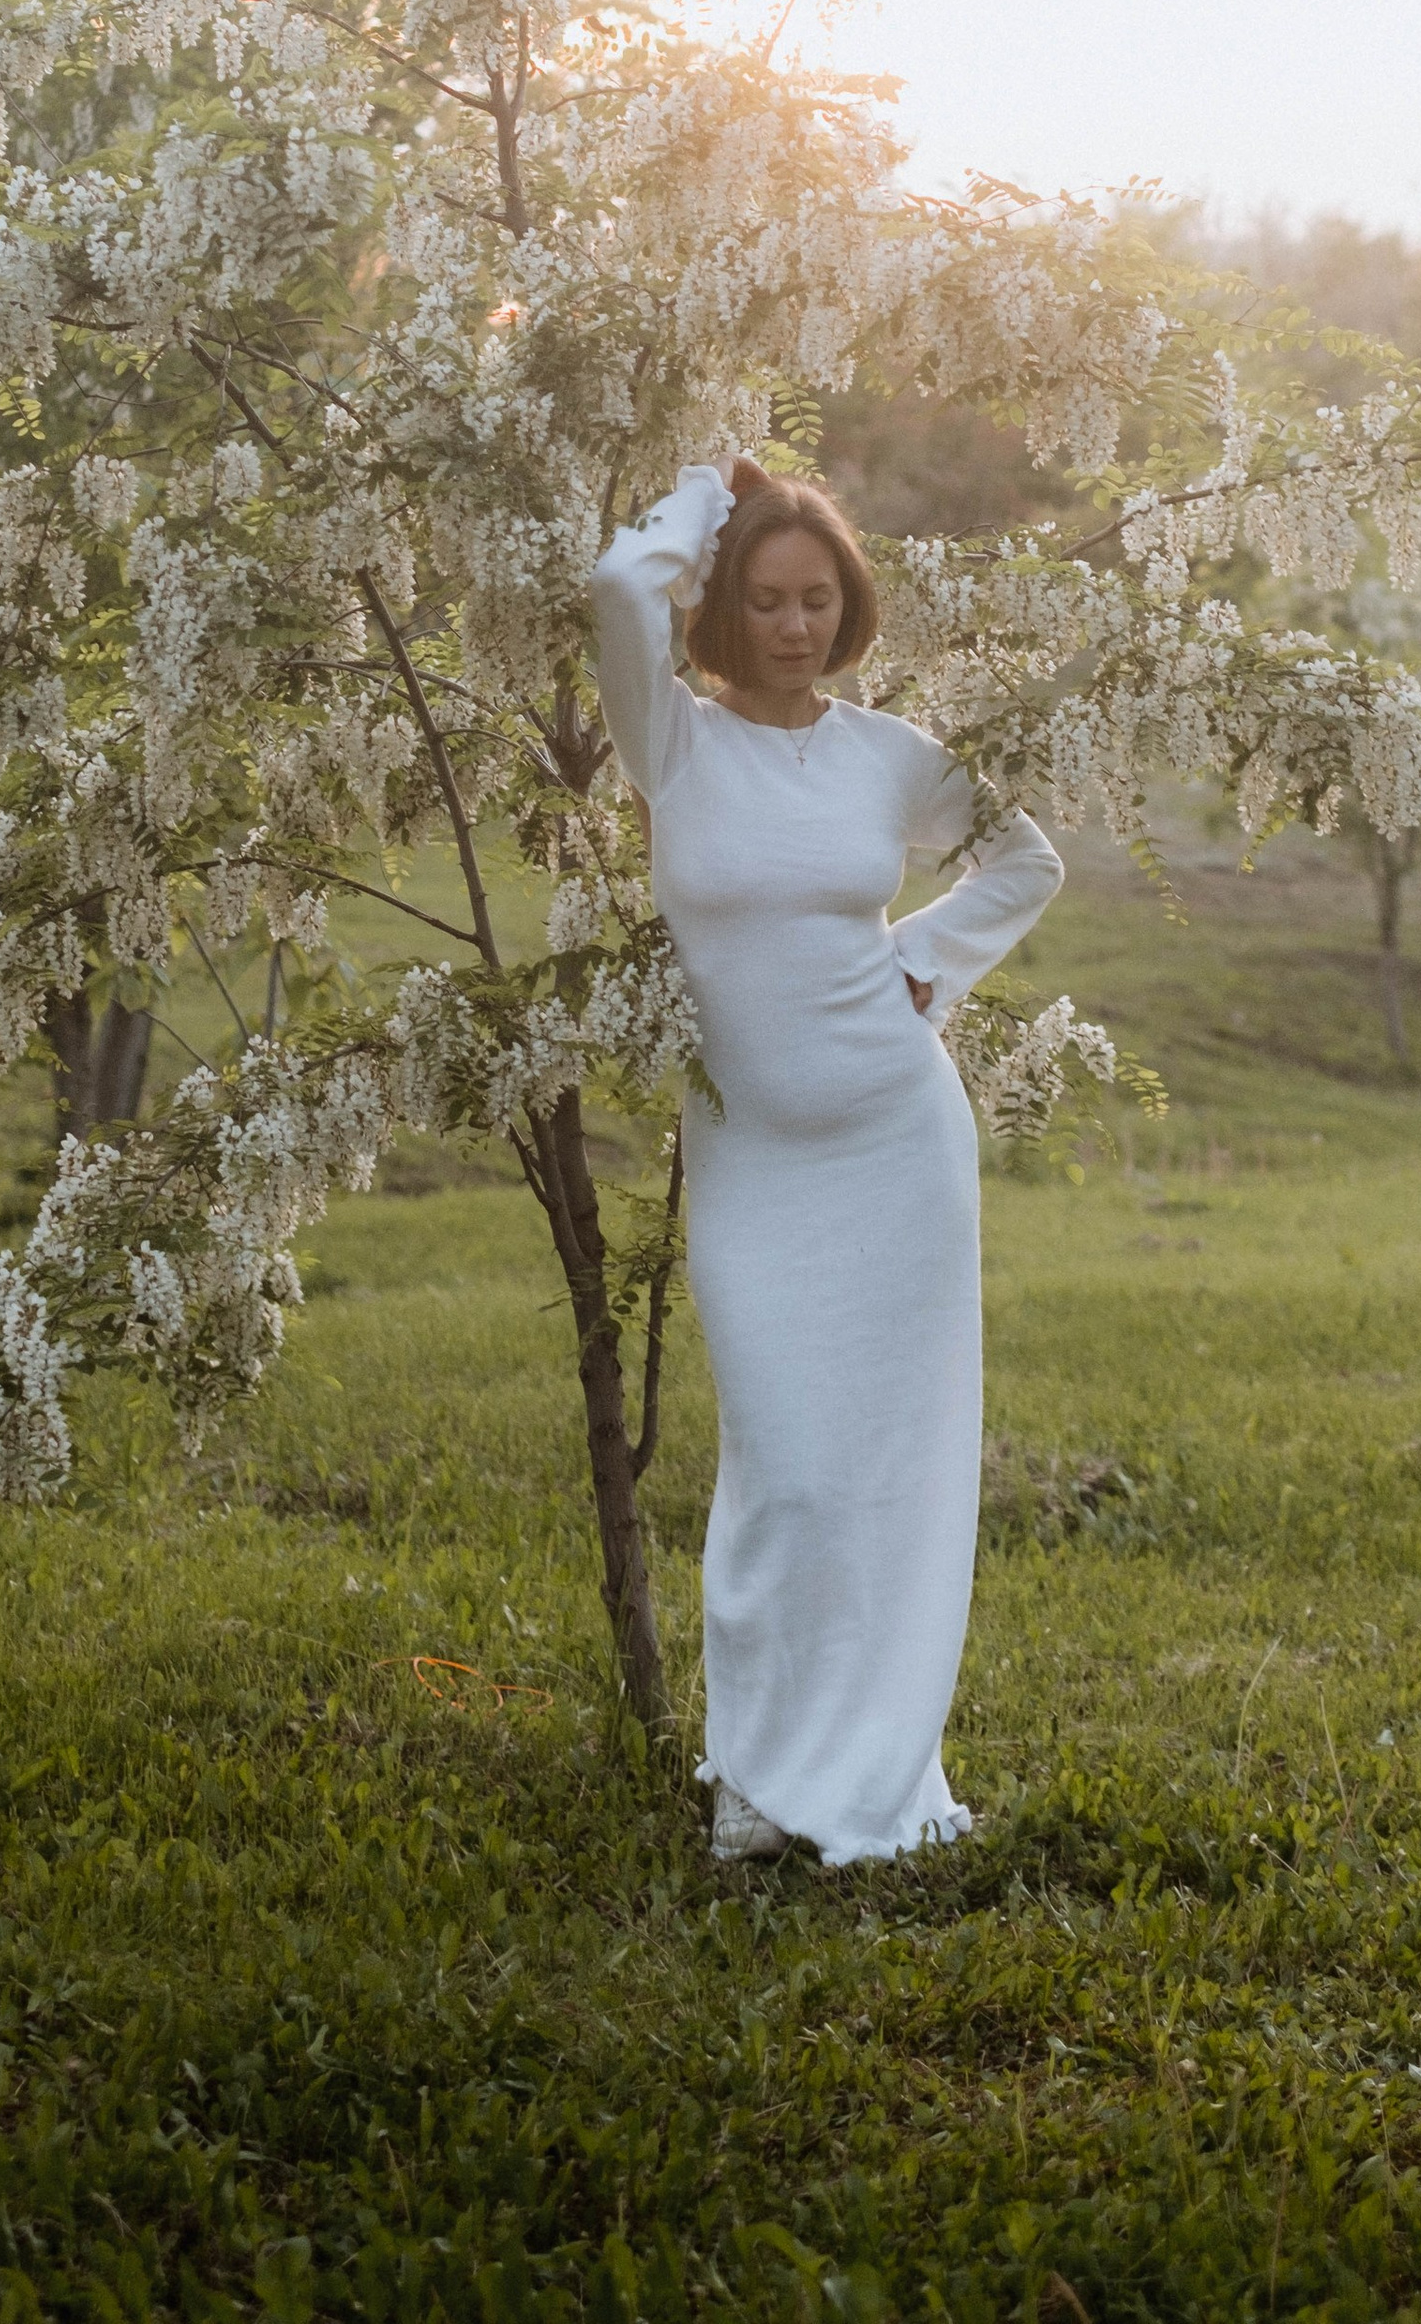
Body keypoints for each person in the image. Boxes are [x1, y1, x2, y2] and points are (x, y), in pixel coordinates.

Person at [590, 456, 1064, 1863]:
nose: (795, 625)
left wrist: (922, 964)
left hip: (895, 1140)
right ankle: (757, 1781)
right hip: (751, 1162)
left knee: (895, 1476)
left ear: (845, 608)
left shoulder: (889, 755)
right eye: (766, 598)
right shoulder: (669, 742)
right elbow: (621, 584)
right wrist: (703, 492)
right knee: (786, 1472)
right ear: (725, 607)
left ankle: (878, 1772)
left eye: (817, 599)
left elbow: (1025, 863)